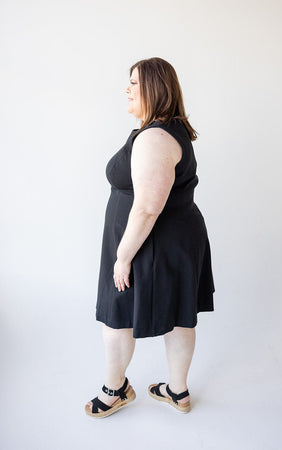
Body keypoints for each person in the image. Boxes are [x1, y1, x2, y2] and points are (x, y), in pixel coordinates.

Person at [85, 57, 215, 418]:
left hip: (147, 242)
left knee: (118, 315)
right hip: (171, 239)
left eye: (134, 84)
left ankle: (116, 391)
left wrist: (123, 256)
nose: (126, 90)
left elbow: (146, 208)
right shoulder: (167, 129)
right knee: (179, 315)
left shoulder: (154, 138)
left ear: (155, 89)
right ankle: (177, 392)